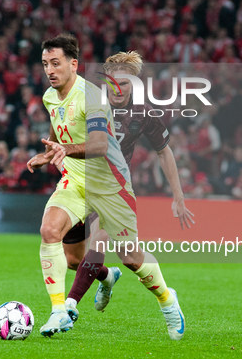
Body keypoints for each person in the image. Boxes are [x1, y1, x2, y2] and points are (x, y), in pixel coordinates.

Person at [26, 35, 185, 340]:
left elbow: (99, 145)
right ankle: (61, 309)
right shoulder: (50, 96)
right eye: (45, 64)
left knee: (128, 256)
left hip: (111, 185)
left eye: (55, 63)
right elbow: (56, 130)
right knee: (59, 242)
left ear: (74, 65)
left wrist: (178, 196)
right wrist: (49, 153)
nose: (49, 69)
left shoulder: (98, 99)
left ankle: (167, 298)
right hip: (75, 179)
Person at [60, 51, 195, 325]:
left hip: (113, 188)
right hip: (79, 184)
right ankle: (107, 277)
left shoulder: (144, 113)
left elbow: (164, 152)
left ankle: (69, 307)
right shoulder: (88, 102)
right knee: (75, 260)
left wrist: (178, 197)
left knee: (115, 248)